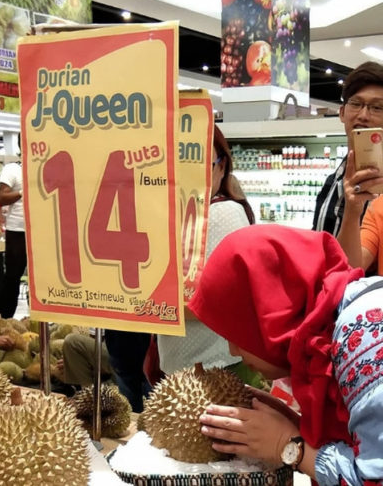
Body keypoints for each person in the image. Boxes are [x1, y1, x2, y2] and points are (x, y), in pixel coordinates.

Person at [190, 225, 383, 485]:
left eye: (237, 333)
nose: (232, 350)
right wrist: (293, 424)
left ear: (267, 313)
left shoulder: (362, 338)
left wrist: (289, 445)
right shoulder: (337, 321)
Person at [157, 125, 265, 388]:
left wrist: (149, 306)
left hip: (217, 368)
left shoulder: (222, 213)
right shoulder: (180, 214)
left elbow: (217, 301)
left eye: (198, 163)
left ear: (220, 167)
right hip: (187, 366)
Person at [313, 62, 383, 235]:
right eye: (356, 104)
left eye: (376, 107)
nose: (363, 115)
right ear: (342, 113)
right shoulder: (332, 181)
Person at [0, 145, 25, 320]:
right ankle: (2, 320)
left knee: (42, 280)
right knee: (13, 278)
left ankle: (34, 321)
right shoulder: (13, 169)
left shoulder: (48, 167)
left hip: (41, 232)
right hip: (18, 230)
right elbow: (1, 197)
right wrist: (23, 191)